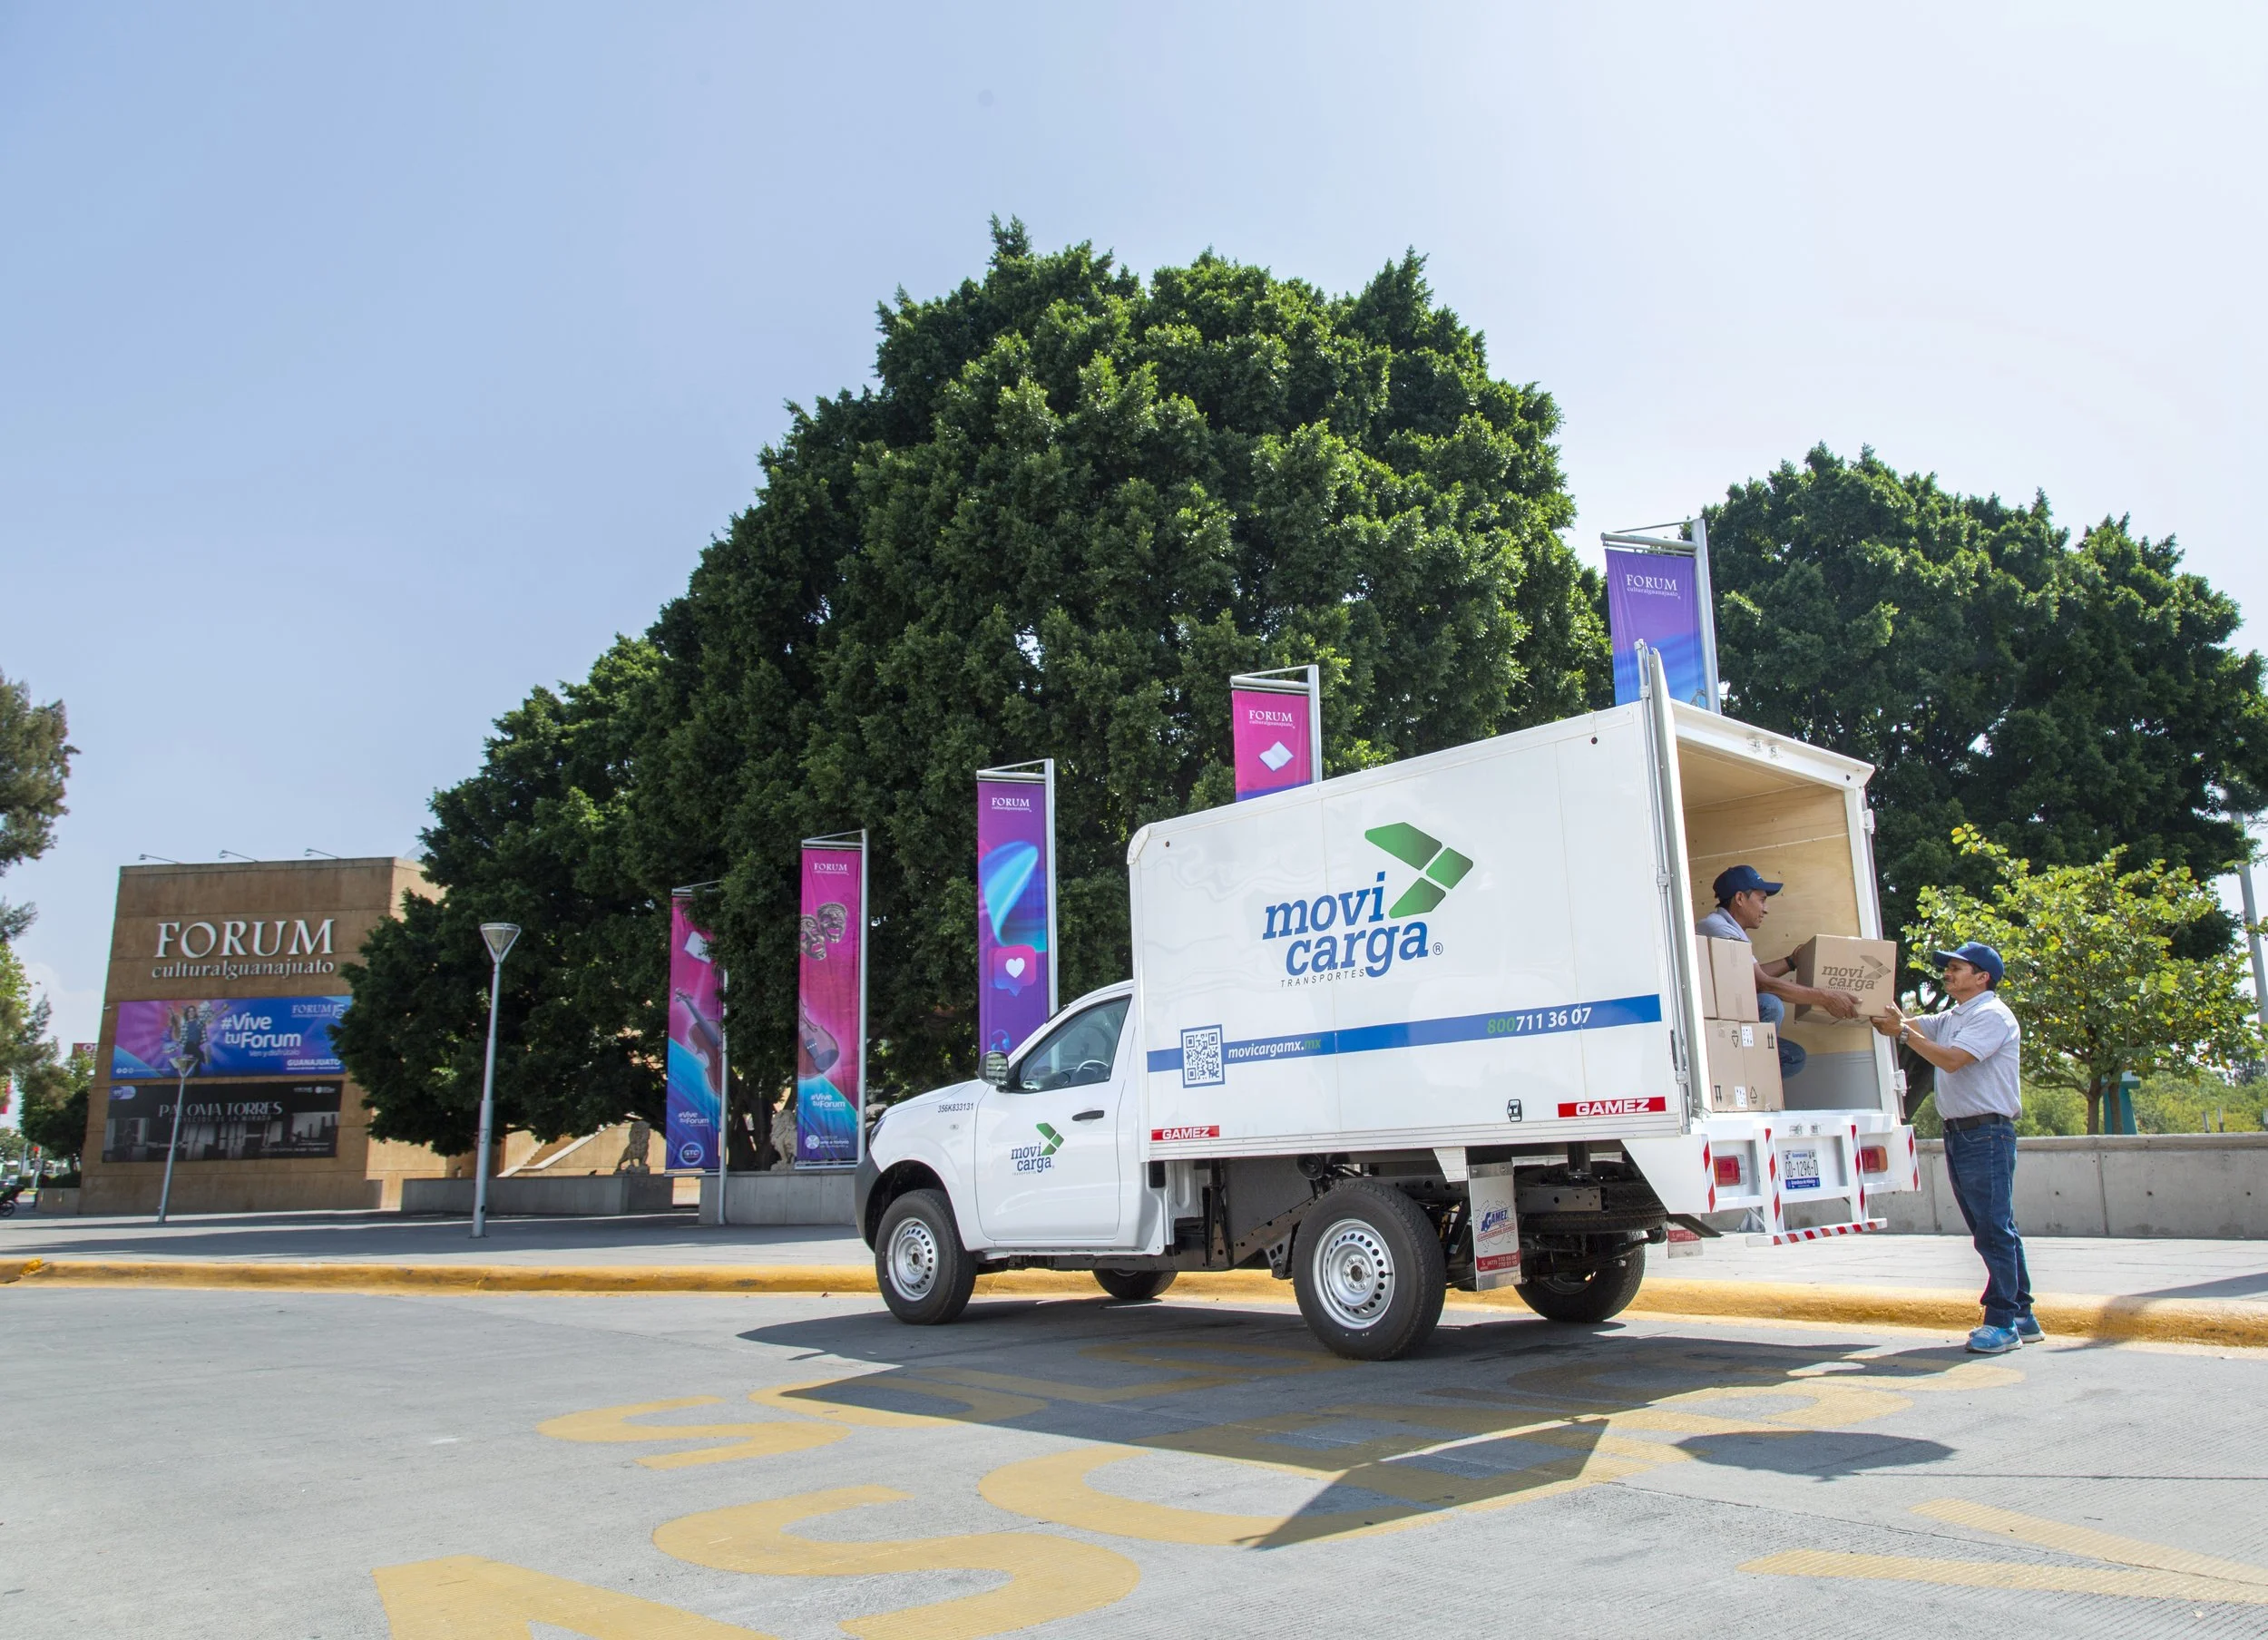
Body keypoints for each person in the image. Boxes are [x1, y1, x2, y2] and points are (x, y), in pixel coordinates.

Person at [1872, 941, 2036, 1353]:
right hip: (1963, 1134)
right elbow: (1907, 1023)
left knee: (1993, 1231)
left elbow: (1951, 1060)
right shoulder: (1955, 1015)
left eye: (1957, 968)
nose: (1947, 973)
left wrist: (1903, 1032)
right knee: (1994, 1227)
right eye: (1947, 967)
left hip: (1987, 1135)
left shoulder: (1992, 1015)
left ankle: (2002, 1322)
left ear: (1982, 977)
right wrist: (1872, 1004)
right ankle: (2022, 1314)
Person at [1696, 864, 1859, 1080]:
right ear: (1740, 898)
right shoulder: (1717, 928)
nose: (1766, 909)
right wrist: (1826, 997)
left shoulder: (1730, 929)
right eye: (1762, 900)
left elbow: (1750, 976)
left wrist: (1791, 962)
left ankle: (1748, 1077)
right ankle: (1741, 1080)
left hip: (1728, 1022)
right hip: (1714, 1027)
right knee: (1770, 1004)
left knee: (1794, 1057)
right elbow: (1760, 983)